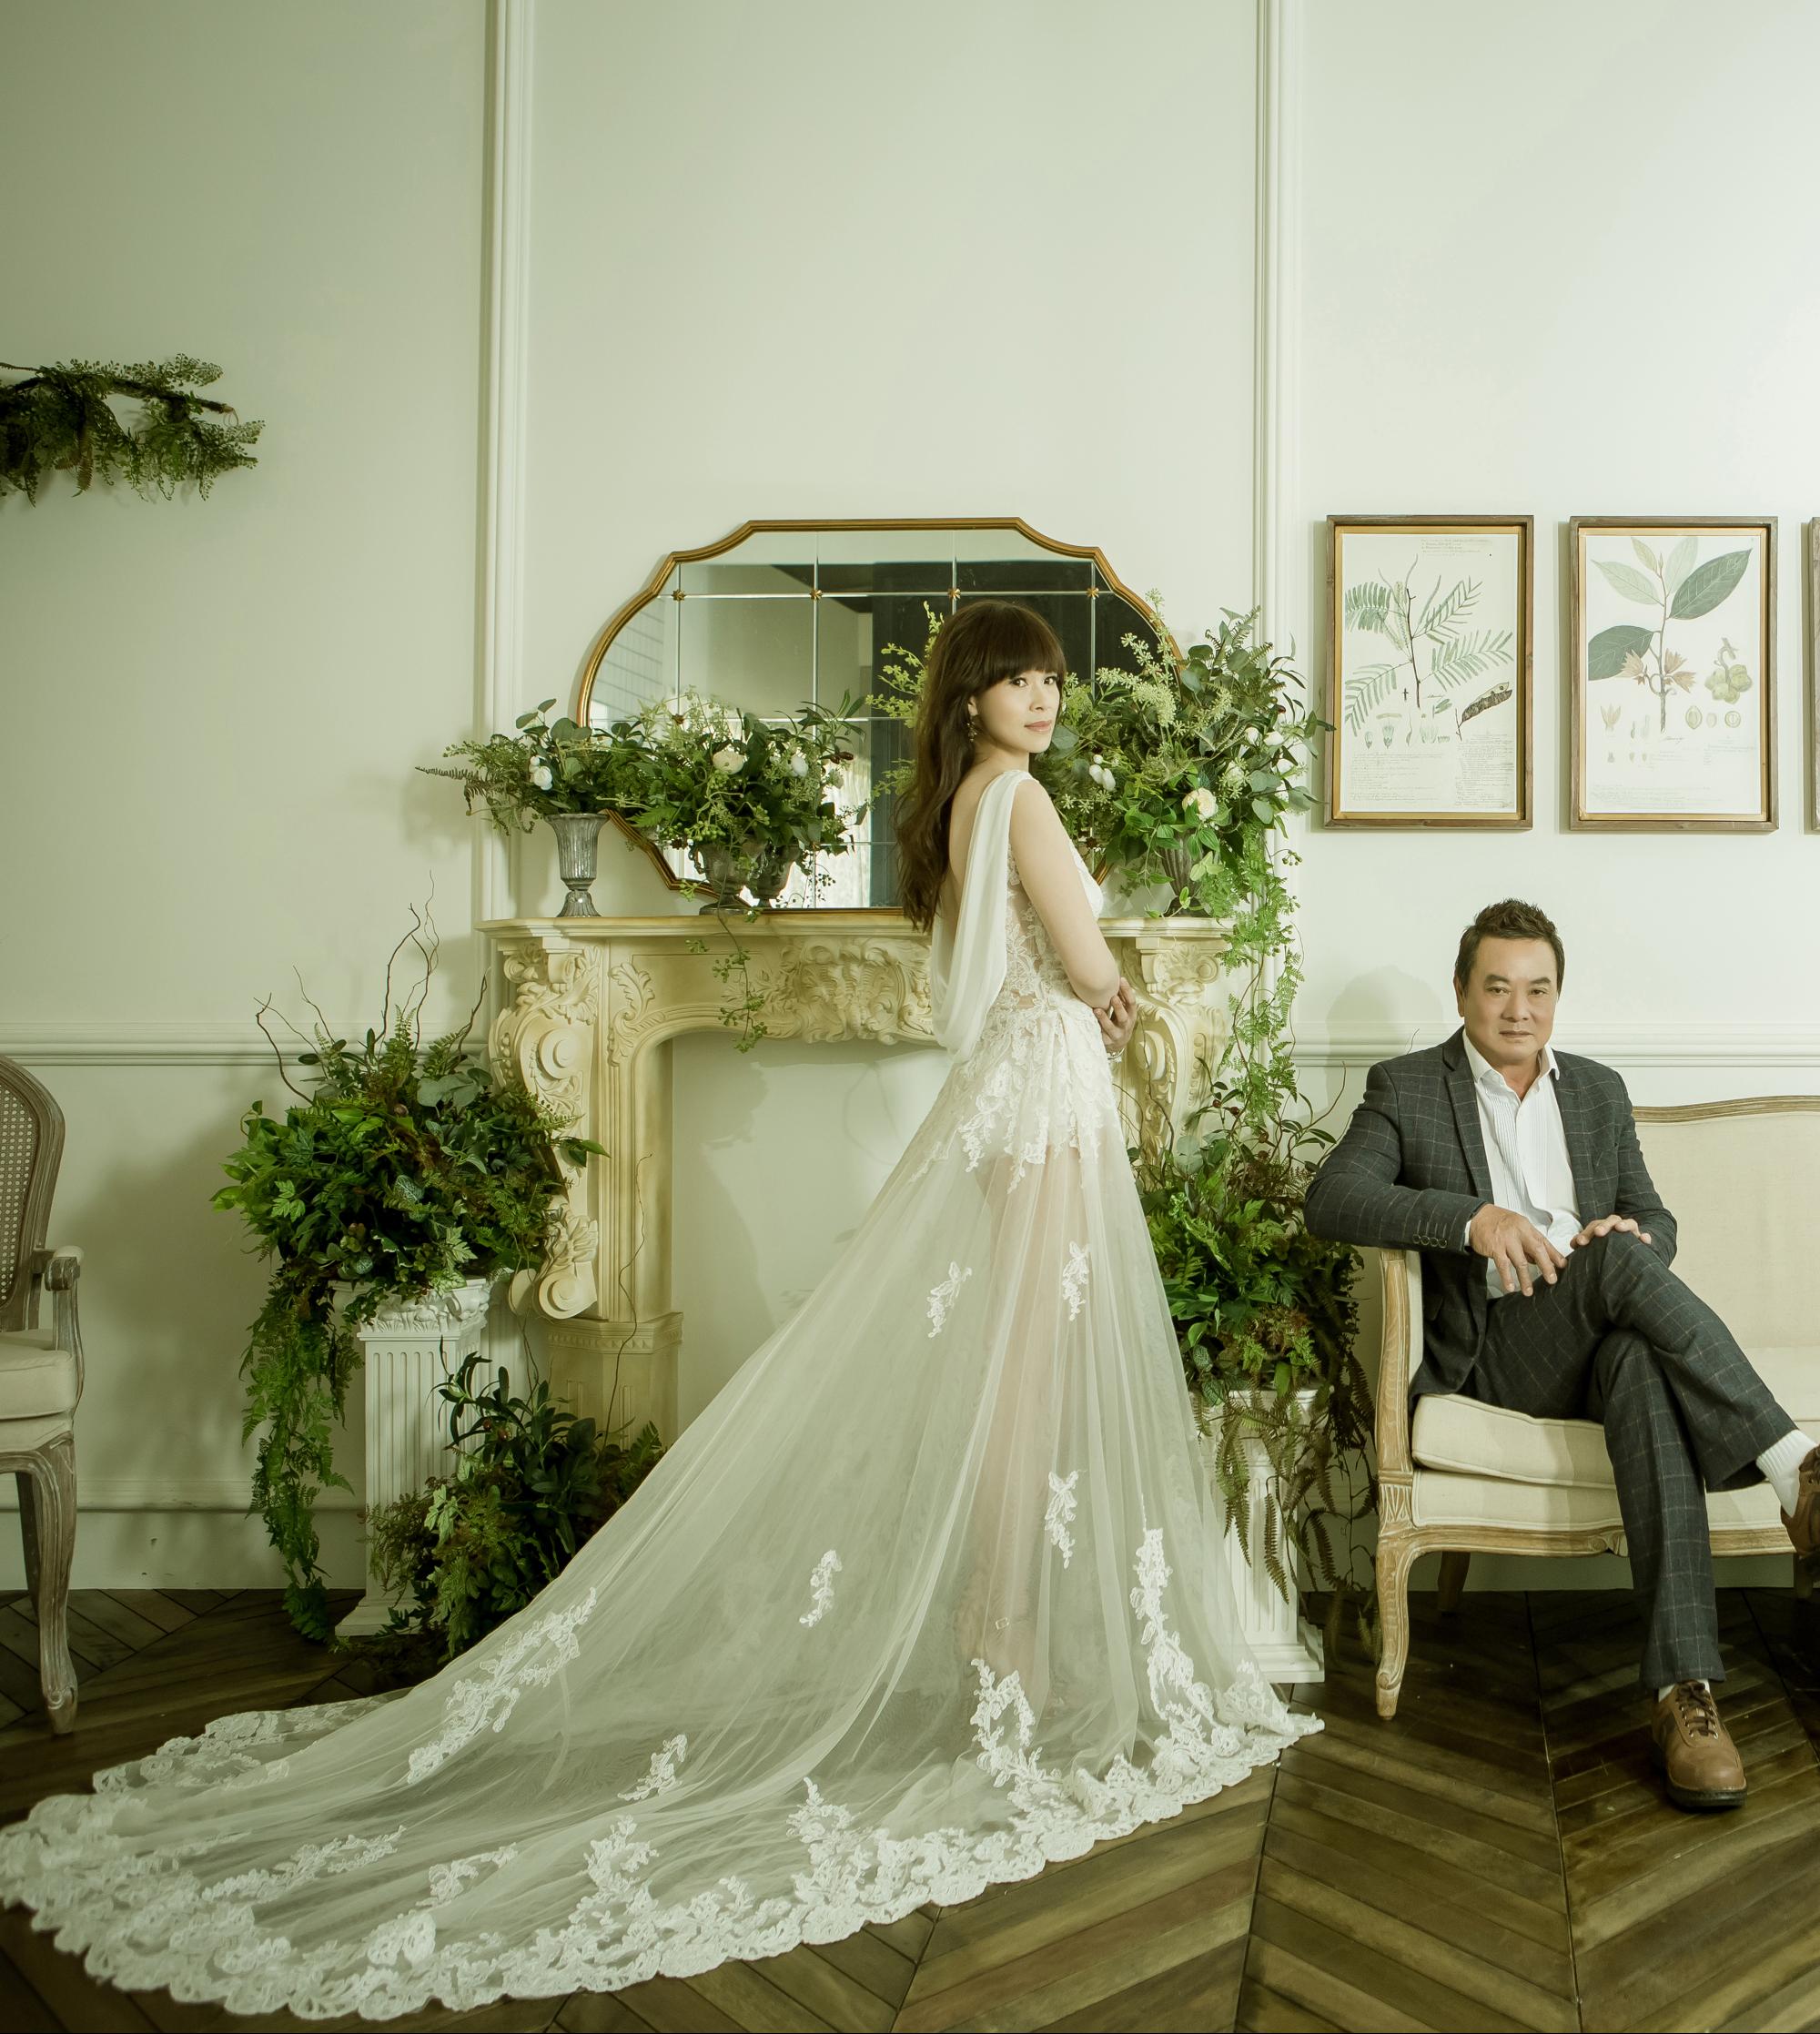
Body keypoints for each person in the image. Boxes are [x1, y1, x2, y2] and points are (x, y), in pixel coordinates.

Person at [0, 601, 1315, 2019]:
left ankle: (996, 1634)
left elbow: (981, 970)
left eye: (1050, 676)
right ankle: (1005, 1638)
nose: (1042, 696)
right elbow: (1092, 964)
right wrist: (1118, 1004)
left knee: (1010, 1366)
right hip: (1045, 1088)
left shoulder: (962, 801)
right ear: (971, 695)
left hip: (1008, 1086)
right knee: (1026, 1376)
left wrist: (1083, 997)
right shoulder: (1027, 800)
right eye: (1015, 678)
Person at [1304, 898, 1820, 1811]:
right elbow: (1332, 1198)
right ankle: (1799, 1474)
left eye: (1537, 989)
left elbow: (1653, 1216)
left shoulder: (1594, 1089)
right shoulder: (1409, 1087)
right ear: (1461, 991)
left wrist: (1635, 1239)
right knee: (1620, 1275)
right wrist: (1473, 1220)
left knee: (1639, 1362)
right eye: (1497, 988)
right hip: (1497, 1350)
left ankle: (1683, 1695)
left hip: (1596, 1333)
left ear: (1558, 995)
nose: (1519, 1009)